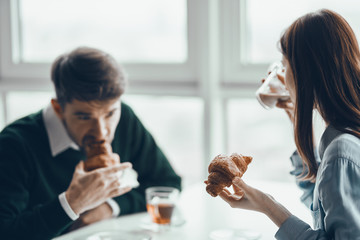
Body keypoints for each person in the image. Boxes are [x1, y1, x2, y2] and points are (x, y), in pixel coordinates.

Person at [0, 47, 181, 239]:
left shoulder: (126, 118)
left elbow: (167, 183)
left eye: (110, 114)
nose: (101, 131)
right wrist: (71, 204)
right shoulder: (13, 145)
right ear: (58, 108)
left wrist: (109, 207)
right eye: (84, 116)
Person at [219, 9, 360, 239]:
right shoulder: (344, 136)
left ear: (306, 74)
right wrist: (296, 116)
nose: (283, 75)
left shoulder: (340, 152)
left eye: (285, 65)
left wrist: (269, 206)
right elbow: (323, 205)